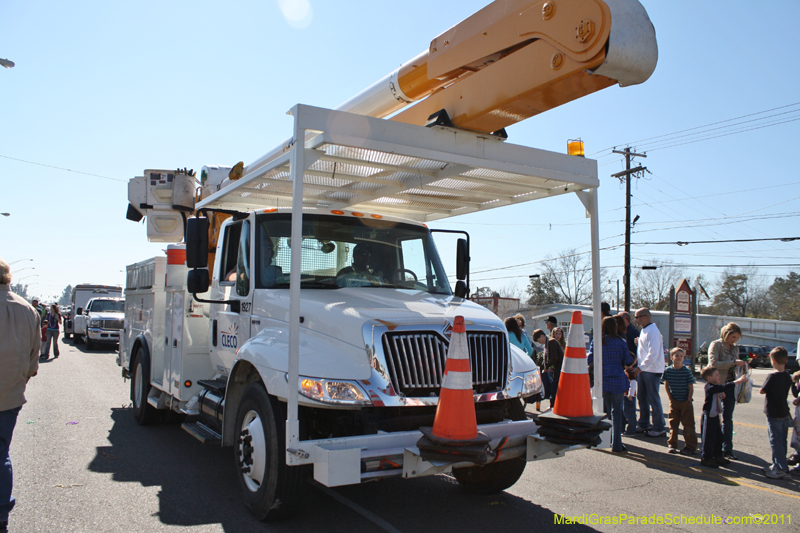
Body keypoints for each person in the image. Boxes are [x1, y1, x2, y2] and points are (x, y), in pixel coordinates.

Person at [0, 258, 41, 532]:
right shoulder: (28, 310)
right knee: (1, 453)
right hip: (10, 396)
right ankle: (2, 514)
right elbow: (33, 362)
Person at [588, 317, 633, 453]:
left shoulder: (597, 341)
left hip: (602, 380)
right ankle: (617, 443)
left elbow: (590, 358)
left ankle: (602, 440)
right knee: (617, 412)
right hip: (618, 380)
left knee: (604, 412)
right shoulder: (621, 342)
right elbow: (627, 360)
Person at [708, 322, 748, 460]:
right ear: (726, 334)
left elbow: (734, 365)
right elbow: (713, 363)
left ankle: (728, 448)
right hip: (717, 384)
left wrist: (742, 366)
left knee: (728, 418)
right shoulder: (716, 345)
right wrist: (733, 363)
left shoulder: (735, 348)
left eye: (737, 337)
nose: (734, 340)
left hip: (730, 385)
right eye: (733, 337)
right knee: (712, 416)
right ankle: (712, 447)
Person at [699, 366, 747, 469]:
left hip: (716, 416)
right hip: (709, 416)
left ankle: (718, 456)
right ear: (709, 378)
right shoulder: (709, 387)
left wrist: (721, 394)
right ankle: (706, 458)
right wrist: (736, 382)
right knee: (708, 438)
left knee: (718, 437)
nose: (719, 376)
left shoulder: (715, 387)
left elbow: (720, 391)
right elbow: (721, 388)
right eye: (716, 375)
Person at [760, 347, 793, 479]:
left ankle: (782, 468)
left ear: (772, 360)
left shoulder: (772, 376)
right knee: (782, 440)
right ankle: (777, 464)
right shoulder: (787, 376)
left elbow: (763, 390)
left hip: (773, 412)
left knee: (775, 441)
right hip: (784, 411)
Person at [634, 308, 667, 437]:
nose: (635, 320)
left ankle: (659, 427)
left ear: (644, 317)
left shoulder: (653, 331)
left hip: (652, 370)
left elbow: (653, 353)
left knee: (653, 398)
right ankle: (644, 423)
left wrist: (642, 366)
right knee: (642, 398)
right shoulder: (644, 330)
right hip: (644, 369)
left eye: (637, 317)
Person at [663, 348, 697, 455]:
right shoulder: (668, 370)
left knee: (688, 424)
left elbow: (690, 386)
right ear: (671, 357)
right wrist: (670, 397)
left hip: (685, 400)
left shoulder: (686, 371)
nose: (678, 358)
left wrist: (689, 398)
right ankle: (672, 444)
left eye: (681, 356)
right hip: (674, 400)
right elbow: (666, 384)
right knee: (673, 423)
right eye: (676, 355)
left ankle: (690, 446)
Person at [618, 312, 640, 435]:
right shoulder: (621, 333)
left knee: (629, 405)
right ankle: (623, 426)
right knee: (622, 405)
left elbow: (638, 352)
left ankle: (631, 427)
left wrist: (632, 364)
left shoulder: (633, 332)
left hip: (631, 368)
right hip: (624, 369)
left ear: (626, 319)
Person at [531, 329, 549, 410]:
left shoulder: (549, 342)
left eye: (539, 340)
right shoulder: (547, 343)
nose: (539, 343)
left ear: (542, 336)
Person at [546, 327, 565, 402]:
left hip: (559, 366)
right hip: (553, 367)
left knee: (556, 384)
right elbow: (549, 355)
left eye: (559, 334)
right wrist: (549, 366)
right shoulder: (552, 342)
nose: (558, 336)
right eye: (556, 334)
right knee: (553, 384)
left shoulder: (563, 344)